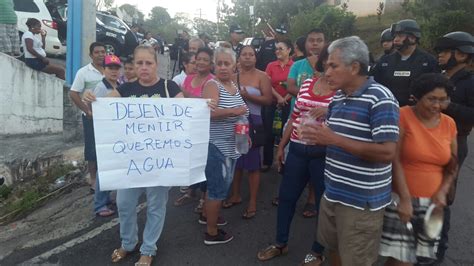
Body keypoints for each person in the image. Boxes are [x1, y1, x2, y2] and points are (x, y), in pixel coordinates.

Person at [299, 36, 399, 266]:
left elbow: (387, 153)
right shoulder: (338, 98)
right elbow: (337, 139)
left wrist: (333, 139)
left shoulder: (381, 98)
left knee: (355, 260)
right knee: (334, 249)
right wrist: (320, 136)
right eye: (326, 67)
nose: (327, 73)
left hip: (360, 204)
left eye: (333, 66)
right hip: (333, 192)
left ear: (354, 67)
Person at [83, 45, 184, 266]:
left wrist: (205, 106)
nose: (144, 67)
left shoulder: (170, 87)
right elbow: (103, 106)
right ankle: (128, 243)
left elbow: (186, 114)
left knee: (156, 205)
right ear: (134, 66)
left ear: (156, 64)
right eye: (139, 63)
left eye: (148, 63)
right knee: (125, 203)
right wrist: (92, 99)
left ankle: (148, 248)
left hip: (159, 160)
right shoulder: (125, 89)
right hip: (131, 161)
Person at [257, 44, 334, 265]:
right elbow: (295, 117)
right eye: (326, 63)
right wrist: (282, 146)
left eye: (333, 64)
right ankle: (280, 243)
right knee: (287, 198)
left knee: (322, 204)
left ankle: (317, 251)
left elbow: (347, 120)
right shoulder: (308, 84)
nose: (328, 68)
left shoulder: (342, 93)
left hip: (323, 154)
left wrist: (330, 110)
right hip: (298, 151)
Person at [379, 73, 458, 265]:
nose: (437, 105)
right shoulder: (402, 115)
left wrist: (442, 192)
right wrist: (405, 200)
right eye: (431, 99)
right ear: (417, 96)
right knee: (400, 260)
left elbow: (452, 164)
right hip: (402, 198)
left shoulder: (449, 123)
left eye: (442, 100)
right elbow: (394, 159)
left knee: (418, 258)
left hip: (433, 203)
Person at [200, 47, 249, 245]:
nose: (222, 67)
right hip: (216, 146)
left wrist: (246, 133)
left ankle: (207, 216)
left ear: (234, 65)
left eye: (226, 63)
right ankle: (211, 233)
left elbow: (241, 114)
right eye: (219, 63)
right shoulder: (213, 85)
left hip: (232, 144)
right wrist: (233, 111)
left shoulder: (233, 85)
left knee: (218, 186)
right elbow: (207, 113)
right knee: (218, 190)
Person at [434, 31, 474, 263]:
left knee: (442, 195)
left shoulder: (469, 82)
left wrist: (448, 106)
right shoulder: (439, 76)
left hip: (454, 142)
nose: (439, 55)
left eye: (444, 51)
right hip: (427, 138)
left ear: (460, 55)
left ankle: (438, 249)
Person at [223, 45, 272, 218]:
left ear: (255, 58)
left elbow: (268, 99)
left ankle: (252, 202)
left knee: (253, 164)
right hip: (233, 121)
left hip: (253, 122)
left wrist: (249, 96)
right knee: (236, 160)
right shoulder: (232, 76)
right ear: (239, 57)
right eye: (244, 54)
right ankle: (236, 195)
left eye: (251, 54)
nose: (248, 57)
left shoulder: (262, 76)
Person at [284, 28, 326, 218]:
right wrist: (311, 95)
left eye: (319, 40)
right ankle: (290, 194)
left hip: (321, 126)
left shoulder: (328, 65)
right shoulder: (298, 65)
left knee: (316, 164)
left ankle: (311, 199)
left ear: (325, 44)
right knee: (293, 158)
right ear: (305, 44)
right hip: (297, 116)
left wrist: (310, 97)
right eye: (311, 40)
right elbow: (290, 86)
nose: (315, 44)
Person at [173, 47, 214, 211]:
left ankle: (204, 197)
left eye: (206, 59)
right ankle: (191, 191)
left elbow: (207, 103)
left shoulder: (213, 81)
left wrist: (186, 94)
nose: (202, 62)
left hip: (206, 129)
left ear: (211, 63)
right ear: (194, 60)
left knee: (204, 162)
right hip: (189, 127)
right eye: (199, 59)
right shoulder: (188, 79)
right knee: (190, 160)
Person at [371, 19, 438, 107]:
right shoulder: (384, 61)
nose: (395, 39)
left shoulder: (429, 62)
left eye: (400, 35)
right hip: (388, 110)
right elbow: (374, 86)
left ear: (413, 38)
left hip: (416, 113)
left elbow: (435, 91)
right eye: (395, 36)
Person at [88, 54, 122, 217]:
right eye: (110, 68)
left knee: (111, 168)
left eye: (116, 68)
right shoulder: (101, 88)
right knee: (104, 169)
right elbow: (93, 109)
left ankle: (106, 198)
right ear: (104, 69)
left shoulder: (120, 85)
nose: (114, 71)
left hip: (117, 132)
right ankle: (100, 204)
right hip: (106, 134)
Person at [69, 42, 106, 193]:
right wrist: (87, 111)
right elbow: (73, 93)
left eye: (103, 51)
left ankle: (106, 178)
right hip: (91, 117)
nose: (100, 54)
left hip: (108, 117)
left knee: (107, 147)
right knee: (92, 149)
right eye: (97, 52)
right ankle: (93, 179)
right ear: (91, 55)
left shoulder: (110, 70)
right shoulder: (83, 72)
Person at [262, 39, 294, 172]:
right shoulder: (271, 65)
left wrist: (285, 98)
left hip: (288, 103)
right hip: (272, 103)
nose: (277, 51)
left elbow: (297, 85)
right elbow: (267, 83)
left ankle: (283, 162)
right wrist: (278, 97)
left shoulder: (294, 66)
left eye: (281, 48)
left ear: (289, 50)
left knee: (285, 134)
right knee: (269, 133)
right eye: (276, 49)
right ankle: (267, 161)